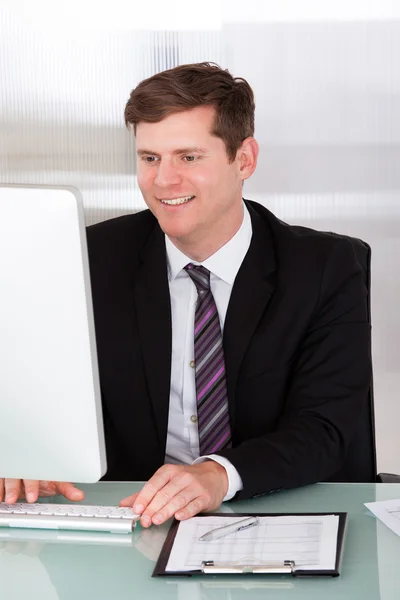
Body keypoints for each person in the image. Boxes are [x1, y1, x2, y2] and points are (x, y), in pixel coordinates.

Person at [0, 62, 371, 528]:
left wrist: (220, 474)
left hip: (280, 514)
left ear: (245, 159)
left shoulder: (324, 267)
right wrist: (25, 452)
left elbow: (327, 427)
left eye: (189, 157)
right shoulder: (88, 257)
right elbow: (37, 391)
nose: (163, 180)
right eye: (150, 158)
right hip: (132, 518)